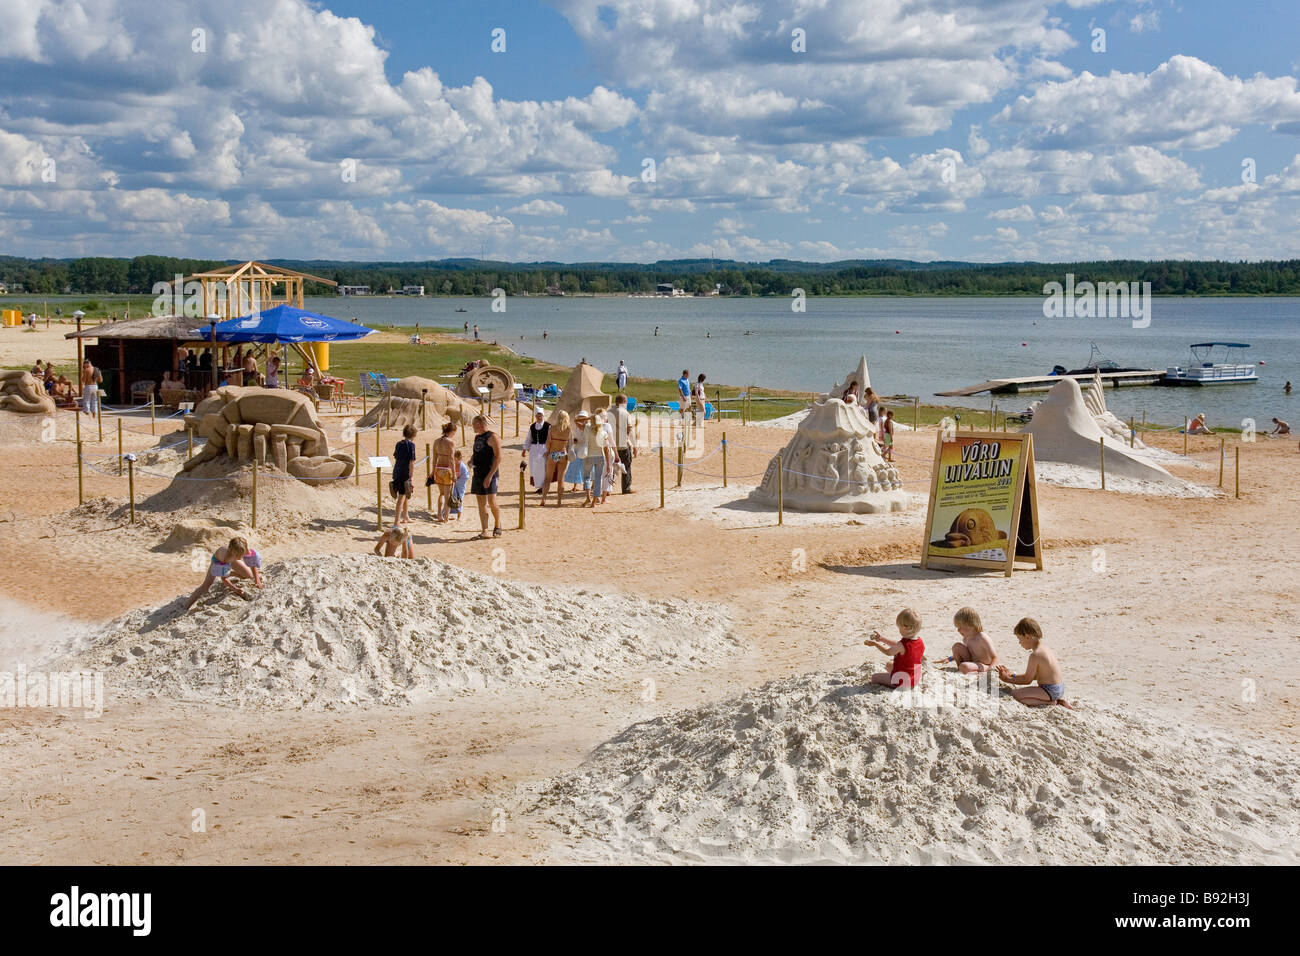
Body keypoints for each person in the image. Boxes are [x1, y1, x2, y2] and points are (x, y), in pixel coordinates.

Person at [997, 617, 1073, 709]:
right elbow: (1035, 676)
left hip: (1049, 690)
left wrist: (1006, 679)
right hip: (1059, 688)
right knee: (1020, 694)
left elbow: (1027, 680)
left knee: (1015, 695)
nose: (1019, 643)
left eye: (1019, 639)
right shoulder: (1045, 649)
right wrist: (1012, 675)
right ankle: (1055, 700)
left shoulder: (1036, 655)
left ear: (1027, 637)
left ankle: (1052, 702)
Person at [864, 608, 925, 690]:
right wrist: (882, 639)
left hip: (903, 681)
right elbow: (897, 645)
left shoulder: (902, 645)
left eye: (899, 628)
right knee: (888, 664)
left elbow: (888, 652)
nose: (899, 630)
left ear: (905, 628)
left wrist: (875, 644)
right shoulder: (919, 641)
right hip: (915, 678)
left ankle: (893, 685)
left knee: (874, 678)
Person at [186, 537, 251, 610]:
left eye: (241, 555)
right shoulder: (224, 557)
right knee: (205, 586)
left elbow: (247, 552)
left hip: (231, 559)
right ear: (233, 552)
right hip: (217, 562)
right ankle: (186, 606)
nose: (240, 557)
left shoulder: (239, 548)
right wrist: (236, 590)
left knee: (248, 575)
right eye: (238, 555)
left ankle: (229, 572)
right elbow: (224, 579)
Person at [935, 607, 997, 673]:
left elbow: (995, 658)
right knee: (957, 646)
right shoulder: (966, 638)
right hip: (972, 663)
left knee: (964, 666)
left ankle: (968, 670)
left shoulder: (982, 637)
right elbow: (971, 652)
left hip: (984, 665)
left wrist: (989, 671)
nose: (958, 630)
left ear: (972, 624)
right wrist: (949, 659)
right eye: (958, 627)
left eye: (961, 627)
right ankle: (961, 670)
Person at [470, 414, 502, 537]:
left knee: (492, 500)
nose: (472, 426)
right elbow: (477, 452)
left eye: (473, 424)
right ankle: (484, 530)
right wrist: (471, 460)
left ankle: (498, 524)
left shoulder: (493, 437)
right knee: (480, 502)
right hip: (478, 472)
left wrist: (490, 476)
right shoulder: (477, 437)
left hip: (490, 473)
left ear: (479, 424)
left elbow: (498, 457)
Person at [540, 410, 575, 506]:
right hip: (562, 454)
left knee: (547, 478)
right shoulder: (568, 430)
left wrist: (548, 451)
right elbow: (570, 444)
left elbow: (548, 443)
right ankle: (559, 501)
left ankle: (544, 498)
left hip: (553, 453)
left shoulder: (552, 428)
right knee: (561, 479)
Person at [577, 409, 609, 507]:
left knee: (586, 477)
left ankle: (588, 498)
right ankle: (594, 501)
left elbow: (575, 421)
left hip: (589, 456)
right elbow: (606, 449)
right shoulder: (603, 433)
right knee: (598, 479)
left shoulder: (587, 428)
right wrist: (607, 462)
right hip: (600, 457)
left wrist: (588, 418)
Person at [609, 394, 636, 493]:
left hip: (611, 444)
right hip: (623, 444)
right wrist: (626, 436)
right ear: (624, 402)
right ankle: (626, 488)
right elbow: (629, 427)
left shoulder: (609, 412)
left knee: (610, 467)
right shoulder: (625, 413)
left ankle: (607, 488)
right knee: (626, 466)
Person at [390, 424, 416, 524]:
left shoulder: (398, 444)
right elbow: (411, 462)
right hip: (404, 473)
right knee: (402, 496)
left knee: (406, 494)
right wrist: (411, 475)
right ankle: (397, 521)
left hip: (397, 471)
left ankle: (405, 516)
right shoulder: (411, 445)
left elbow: (396, 457)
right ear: (413, 435)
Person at [522, 409, 549, 491]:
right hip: (534, 449)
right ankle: (539, 486)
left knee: (543, 468)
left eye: (540, 415)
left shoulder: (548, 426)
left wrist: (549, 449)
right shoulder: (532, 426)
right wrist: (524, 449)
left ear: (543, 415)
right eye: (537, 415)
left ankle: (544, 486)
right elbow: (529, 438)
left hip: (544, 449)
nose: (539, 417)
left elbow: (550, 439)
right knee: (534, 467)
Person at [449, 450, 469, 519]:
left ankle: (459, 516)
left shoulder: (463, 467)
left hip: (460, 484)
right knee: (451, 497)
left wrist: (457, 481)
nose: (454, 461)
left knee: (460, 498)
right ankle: (447, 513)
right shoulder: (452, 465)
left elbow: (466, 477)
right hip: (453, 483)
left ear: (459, 459)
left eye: (455, 460)